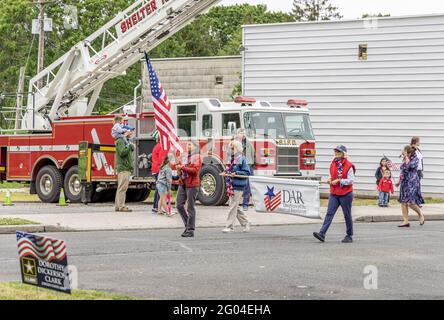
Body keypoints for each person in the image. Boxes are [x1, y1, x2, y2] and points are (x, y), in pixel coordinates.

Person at [313, 145, 356, 243]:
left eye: (339, 152)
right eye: (335, 152)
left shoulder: (349, 165)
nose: (336, 154)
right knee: (329, 213)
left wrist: (340, 181)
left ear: (344, 154)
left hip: (346, 193)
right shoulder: (333, 163)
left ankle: (349, 235)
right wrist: (330, 179)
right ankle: (322, 233)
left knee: (347, 215)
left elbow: (351, 180)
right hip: (334, 193)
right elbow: (331, 175)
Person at [222, 140, 251, 233]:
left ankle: (230, 226)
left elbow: (247, 172)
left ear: (237, 149)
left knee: (233, 206)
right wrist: (226, 173)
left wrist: (236, 173)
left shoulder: (242, 159)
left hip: (238, 186)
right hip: (231, 185)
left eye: (232, 148)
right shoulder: (232, 159)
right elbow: (230, 171)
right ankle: (246, 223)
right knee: (235, 206)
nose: (230, 149)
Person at [175, 142, 202, 238]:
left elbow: (194, 171)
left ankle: (190, 230)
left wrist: (183, 167)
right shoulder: (185, 156)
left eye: (190, 144)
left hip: (192, 185)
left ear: (195, 147)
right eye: (188, 144)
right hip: (183, 183)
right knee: (179, 205)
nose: (188, 146)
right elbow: (183, 169)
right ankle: (188, 225)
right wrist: (179, 170)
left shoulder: (197, 157)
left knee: (190, 208)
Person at [396, 145, 425, 227]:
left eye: (404, 152)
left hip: (412, 181)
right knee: (403, 202)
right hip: (404, 182)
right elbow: (402, 171)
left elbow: (410, 166)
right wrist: (398, 181)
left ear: (408, 152)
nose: (403, 153)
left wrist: (406, 157)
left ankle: (420, 214)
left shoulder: (415, 158)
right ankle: (405, 221)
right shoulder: (405, 158)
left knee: (410, 202)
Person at [236, 128, 256, 211]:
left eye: (243, 133)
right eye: (241, 133)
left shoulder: (249, 144)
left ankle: (245, 204)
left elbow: (253, 154)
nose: (243, 134)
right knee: (238, 185)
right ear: (237, 135)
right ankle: (235, 204)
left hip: (248, 165)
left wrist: (252, 165)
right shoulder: (235, 144)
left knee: (247, 186)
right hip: (239, 166)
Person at [115, 131, 134, 212]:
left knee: (121, 188)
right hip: (123, 168)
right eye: (130, 132)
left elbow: (130, 150)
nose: (131, 134)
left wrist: (130, 145)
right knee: (122, 188)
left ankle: (118, 206)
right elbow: (122, 153)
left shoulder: (125, 141)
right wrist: (129, 146)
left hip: (125, 168)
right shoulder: (120, 141)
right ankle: (121, 206)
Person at [151, 131, 168, 214]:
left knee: (158, 189)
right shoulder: (161, 146)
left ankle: (156, 207)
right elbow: (162, 160)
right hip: (159, 170)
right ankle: (157, 207)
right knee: (161, 190)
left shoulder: (156, 146)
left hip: (155, 169)